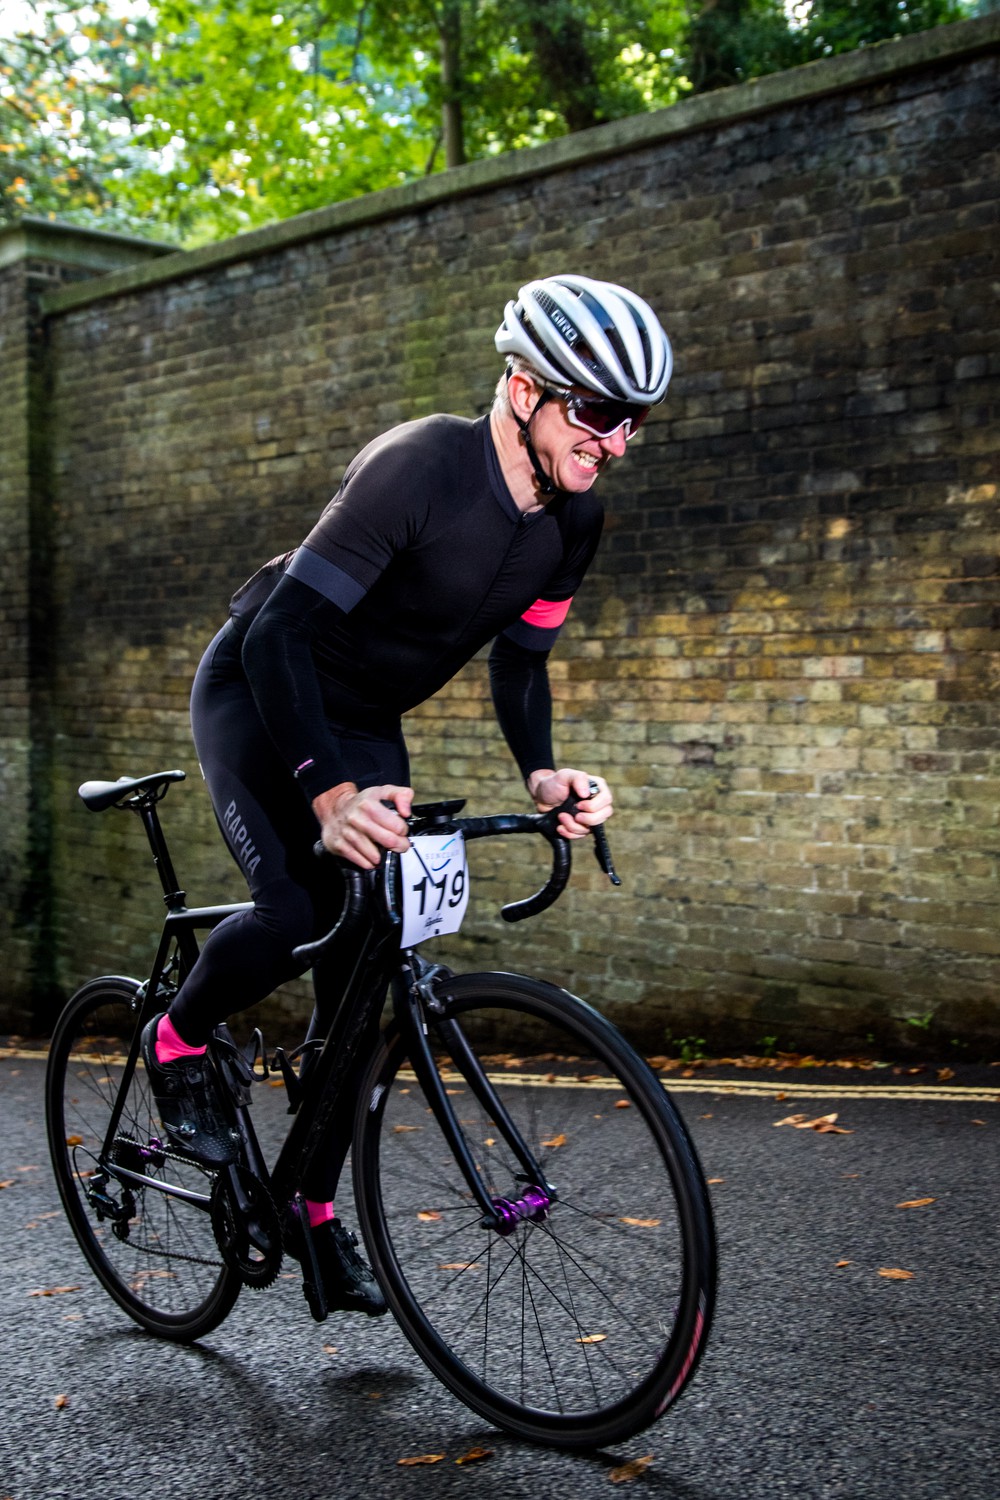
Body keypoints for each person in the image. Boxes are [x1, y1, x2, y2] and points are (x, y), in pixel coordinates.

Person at [141, 273, 673, 1314]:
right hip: (261, 685)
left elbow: (521, 662)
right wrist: (329, 796)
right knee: (302, 906)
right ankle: (177, 1037)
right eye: (597, 411)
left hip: (366, 715)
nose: (614, 441)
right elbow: (282, 634)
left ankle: (310, 1211)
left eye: (633, 421)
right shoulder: (421, 465)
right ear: (523, 388)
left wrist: (543, 772)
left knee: (367, 969)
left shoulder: (574, 520)